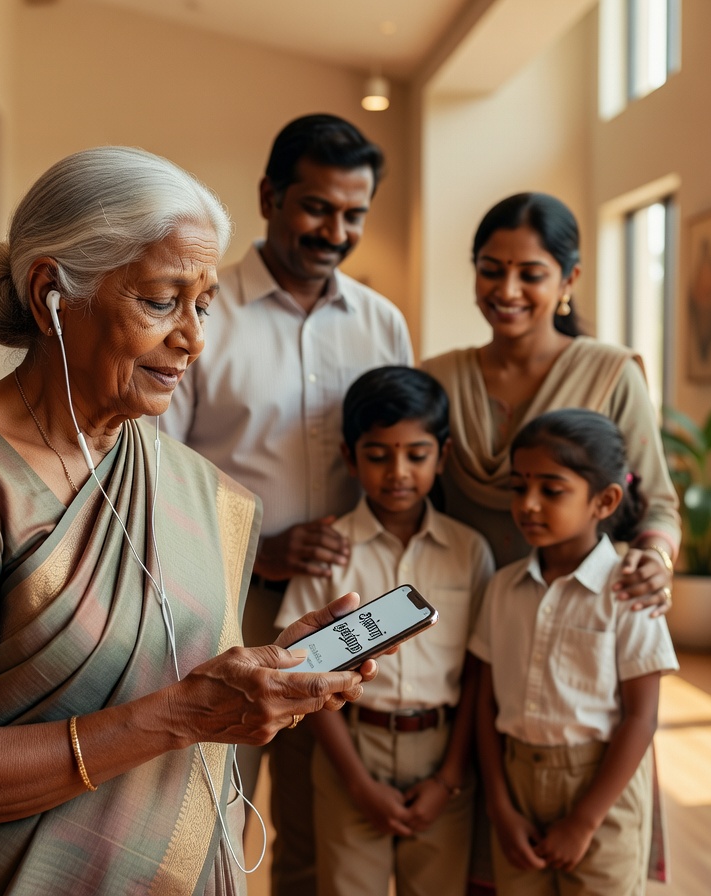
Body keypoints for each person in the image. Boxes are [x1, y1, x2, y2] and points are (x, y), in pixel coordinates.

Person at [0, 146, 381, 896]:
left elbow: (170, 672)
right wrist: (183, 715)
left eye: (204, 304)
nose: (195, 338)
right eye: (163, 301)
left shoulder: (197, 490)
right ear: (50, 295)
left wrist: (264, 675)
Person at [162, 113, 413, 895]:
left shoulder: (382, 323)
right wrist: (260, 547)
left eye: (353, 215)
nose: (334, 231)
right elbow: (156, 468)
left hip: (341, 612)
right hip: (225, 605)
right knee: (209, 809)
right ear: (270, 196)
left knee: (318, 820)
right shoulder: (203, 314)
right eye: (316, 207)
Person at [275, 366, 494, 896]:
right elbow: (304, 673)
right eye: (378, 455)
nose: (398, 471)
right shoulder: (328, 552)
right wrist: (355, 780)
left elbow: (477, 673)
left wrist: (448, 778)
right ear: (350, 457)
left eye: (416, 455)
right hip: (351, 749)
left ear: (441, 456)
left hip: (443, 755)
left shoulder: (470, 553)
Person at [420, 192, 679, 606]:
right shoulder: (437, 377)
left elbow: (657, 504)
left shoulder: (610, 374)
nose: (507, 290)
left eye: (531, 274)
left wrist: (655, 558)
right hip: (452, 602)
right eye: (491, 270)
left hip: (576, 604)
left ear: (568, 279)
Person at [470, 408, 679, 895]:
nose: (529, 504)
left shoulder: (629, 591)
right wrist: (501, 807)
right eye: (519, 487)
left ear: (604, 500)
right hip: (516, 782)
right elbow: (484, 702)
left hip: (601, 789)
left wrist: (584, 820)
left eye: (552, 489)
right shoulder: (502, 588)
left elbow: (641, 718)